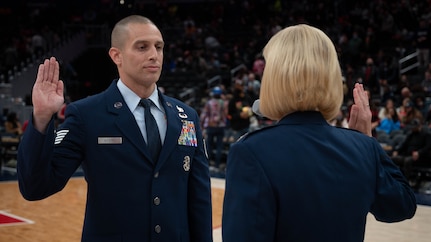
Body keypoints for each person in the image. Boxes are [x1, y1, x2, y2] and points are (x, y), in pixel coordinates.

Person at [17, 15, 213, 242]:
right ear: (116, 56)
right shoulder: (86, 115)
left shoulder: (187, 117)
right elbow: (35, 187)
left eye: (159, 47)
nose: (154, 55)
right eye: (142, 47)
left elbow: (199, 199)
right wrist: (41, 117)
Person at [222, 24, 416, 242]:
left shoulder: (251, 151)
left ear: (275, 79)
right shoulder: (363, 147)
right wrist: (367, 141)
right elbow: (401, 206)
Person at [200, 86, 228, 170]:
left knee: (209, 145)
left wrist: (201, 125)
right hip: (220, 126)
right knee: (219, 146)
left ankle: (207, 164)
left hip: (211, 126)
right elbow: (225, 115)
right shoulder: (223, 103)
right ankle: (217, 165)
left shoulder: (209, 103)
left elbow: (204, 114)